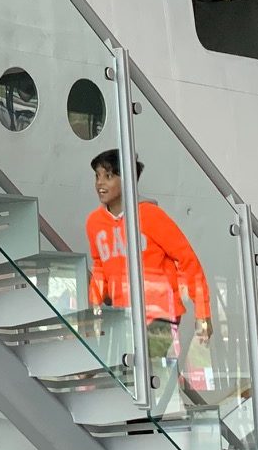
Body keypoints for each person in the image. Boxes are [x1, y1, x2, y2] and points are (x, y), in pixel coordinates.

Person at [81, 151, 209, 413]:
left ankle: (166, 421)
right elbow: (99, 267)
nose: (100, 183)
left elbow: (187, 259)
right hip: (124, 317)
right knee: (135, 381)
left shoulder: (150, 216)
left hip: (162, 314)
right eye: (97, 176)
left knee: (150, 371)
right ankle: (146, 424)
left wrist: (203, 313)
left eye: (108, 176)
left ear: (127, 179)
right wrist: (94, 309)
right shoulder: (94, 223)